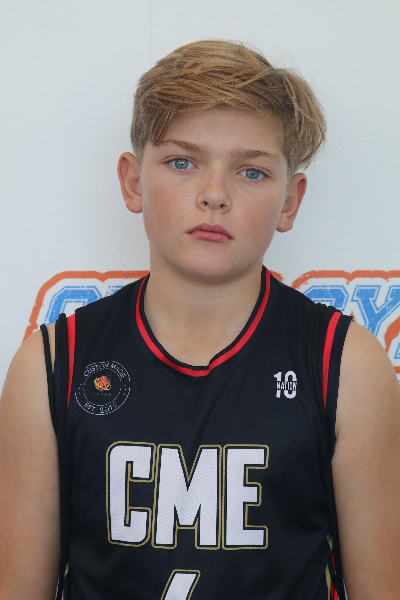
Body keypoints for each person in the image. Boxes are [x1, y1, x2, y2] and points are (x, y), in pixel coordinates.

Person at [0, 39, 399, 600]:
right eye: (182, 162)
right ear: (133, 181)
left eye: (252, 172)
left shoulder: (346, 366)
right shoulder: (50, 366)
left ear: (290, 201)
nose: (214, 195)